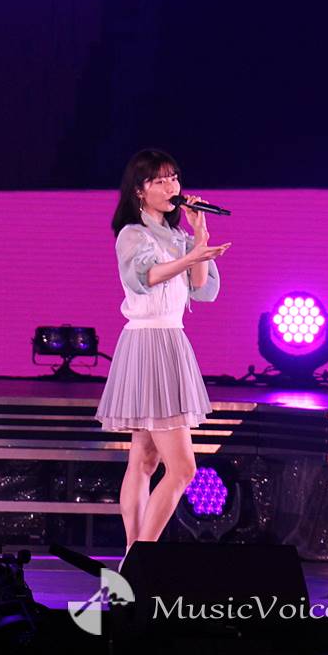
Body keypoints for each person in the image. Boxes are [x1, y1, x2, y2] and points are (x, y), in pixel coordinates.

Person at [95, 149, 228, 561]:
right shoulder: (133, 234)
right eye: (161, 180)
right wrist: (189, 256)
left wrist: (199, 236)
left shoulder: (179, 236)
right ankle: (140, 557)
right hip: (147, 342)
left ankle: (131, 556)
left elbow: (201, 289)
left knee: (145, 459)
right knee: (184, 469)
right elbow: (146, 277)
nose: (173, 186)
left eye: (175, 178)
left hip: (171, 340)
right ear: (140, 190)